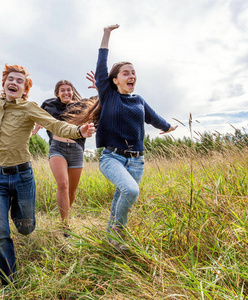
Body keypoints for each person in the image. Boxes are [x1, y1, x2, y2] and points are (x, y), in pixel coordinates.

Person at [0, 53, 95, 286]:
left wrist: (77, 132)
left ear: (25, 89)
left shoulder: (29, 108)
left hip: (23, 177)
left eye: (19, 81)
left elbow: (54, 124)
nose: (13, 82)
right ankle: (8, 282)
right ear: (4, 84)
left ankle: (17, 213)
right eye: (10, 79)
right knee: (1, 233)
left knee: (25, 227)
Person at [71, 25, 177, 250]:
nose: (131, 76)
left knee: (122, 199)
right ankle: (119, 238)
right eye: (126, 73)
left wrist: (167, 127)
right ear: (116, 79)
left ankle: (110, 240)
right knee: (130, 191)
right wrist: (106, 34)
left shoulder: (139, 100)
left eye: (133, 72)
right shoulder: (108, 94)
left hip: (138, 161)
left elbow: (153, 117)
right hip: (113, 158)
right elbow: (101, 64)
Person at [32, 80, 88, 237]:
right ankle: (65, 226)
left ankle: (65, 216)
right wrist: (37, 124)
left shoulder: (80, 105)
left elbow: (100, 103)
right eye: (62, 90)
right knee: (62, 184)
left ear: (72, 91)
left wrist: (100, 86)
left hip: (76, 149)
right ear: (57, 93)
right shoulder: (48, 104)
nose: (66, 93)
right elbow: (37, 114)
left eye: (68, 90)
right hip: (57, 147)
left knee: (71, 191)